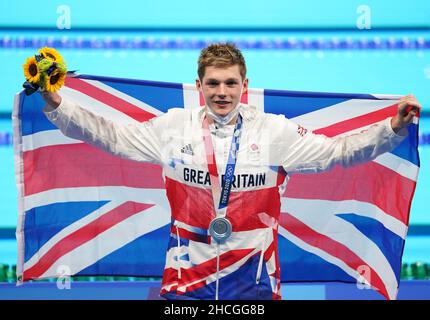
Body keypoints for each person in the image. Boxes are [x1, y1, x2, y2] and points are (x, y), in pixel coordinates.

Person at [40, 43, 421, 300]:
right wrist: (54, 101)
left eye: (230, 83)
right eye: (213, 83)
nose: (222, 92)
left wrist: (393, 128)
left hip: (254, 282)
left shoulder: (274, 132)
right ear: (199, 85)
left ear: (245, 85)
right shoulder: (173, 128)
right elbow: (110, 136)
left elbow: (339, 151)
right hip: (185, 280)